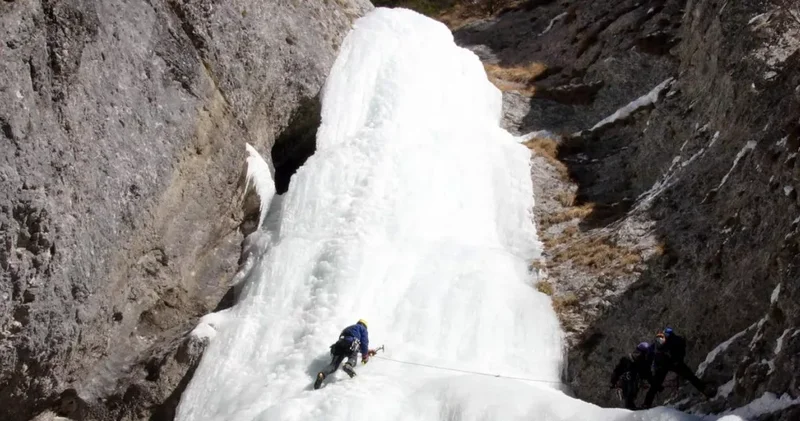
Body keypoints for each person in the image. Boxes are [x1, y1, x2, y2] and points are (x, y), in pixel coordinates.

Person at [643, 327, 714, 407]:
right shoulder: (676, 339)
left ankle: (646, 404)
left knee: (655, 386)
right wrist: (679, 361)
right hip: (675, 363)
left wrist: (653, 365)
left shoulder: (659, 340)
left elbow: (651, 352)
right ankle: (704, 390)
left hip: (662, 365)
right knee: (690, 376)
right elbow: (682, 350)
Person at [314, 319, 377, 389]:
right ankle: (348, 365)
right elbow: (364, 343)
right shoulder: (363, 329)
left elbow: (349, 340)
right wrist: (365, 356)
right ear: (365, 326)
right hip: (351, 344)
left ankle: (322, 374)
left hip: (339, 345)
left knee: (333, 365)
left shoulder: (348, 328)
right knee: (353, 357)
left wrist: (367, 351)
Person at [610, 342, 653, 409]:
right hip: (631, 382)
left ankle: (629, 409)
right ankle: (630, 410)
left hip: (626, 381)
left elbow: (617, 371)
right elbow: (646, 373)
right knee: (630, 396)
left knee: (628, 398)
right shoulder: (642, 361)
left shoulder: (627, 358)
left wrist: (613, 382)